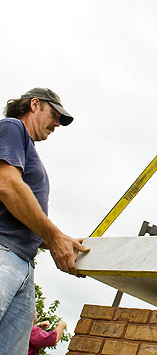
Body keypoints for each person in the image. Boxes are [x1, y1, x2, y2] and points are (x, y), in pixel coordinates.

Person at [0, 88, 90, 353]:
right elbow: (7, 186)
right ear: (35, 104)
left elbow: (16, 214)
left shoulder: (26, 149)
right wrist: (54, 236)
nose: (57, 124)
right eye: (55, 115)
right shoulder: (12, 127)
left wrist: (55, 241)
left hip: (23, 264)